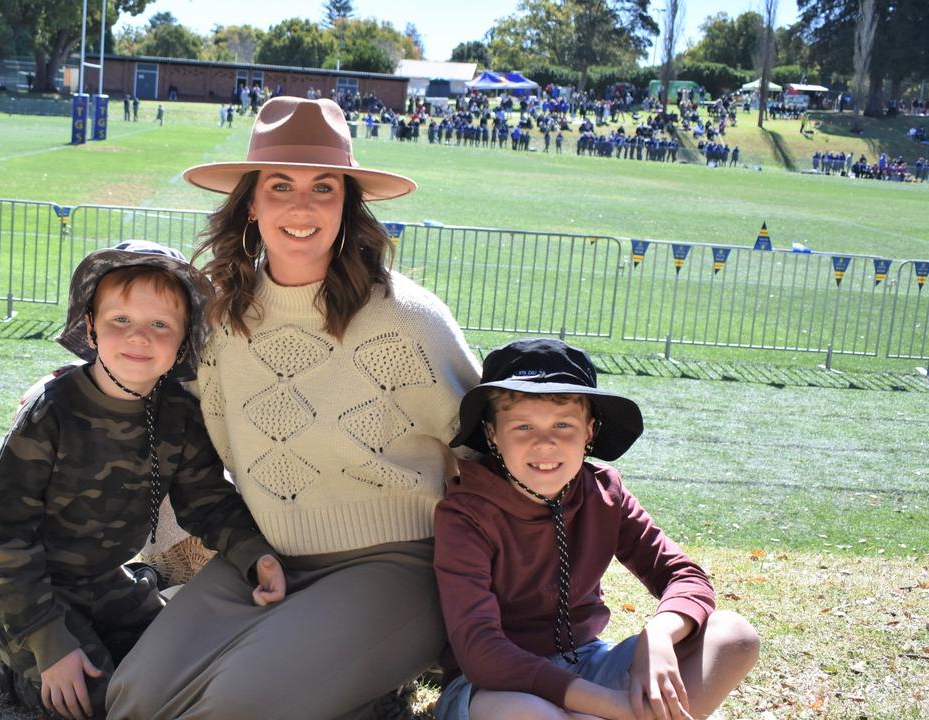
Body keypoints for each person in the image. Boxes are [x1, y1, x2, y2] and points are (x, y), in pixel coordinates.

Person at [105, 97, 481, 719]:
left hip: (392, 565)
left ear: (346, 205)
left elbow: (489, 443)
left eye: (323, 188)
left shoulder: (408, 322)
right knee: (133, 699)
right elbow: (163, 399)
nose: (301, 207)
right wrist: (66, 391)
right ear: (251, 202)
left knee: (236, 706)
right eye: (280, 185)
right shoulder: (220, 316)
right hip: (262, 555)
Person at [0, 240, 283, 720]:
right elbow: (7, 538)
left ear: (182, 340)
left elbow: (208, 503)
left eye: (160, 324)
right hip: (8, 577)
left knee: (175, 667)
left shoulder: (179, 413)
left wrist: (254, 554)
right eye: (121, 321)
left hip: (93, 575)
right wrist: (49, 644)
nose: (139, 338)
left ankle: (68, 625)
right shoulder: (52, 411)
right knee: (87, 699)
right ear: (90, 328)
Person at [434, 338, 760, 720]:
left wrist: (658, 636)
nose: (545, 443)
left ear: (590, 431)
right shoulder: (465, 512)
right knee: (532, 714)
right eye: (522, 426)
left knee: (734, 636)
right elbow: (481, 651)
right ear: (492, 434)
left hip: (588, 663)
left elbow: (683, 575)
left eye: (563, 425)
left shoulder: (604, 491)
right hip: (497, 687)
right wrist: (614, 706)